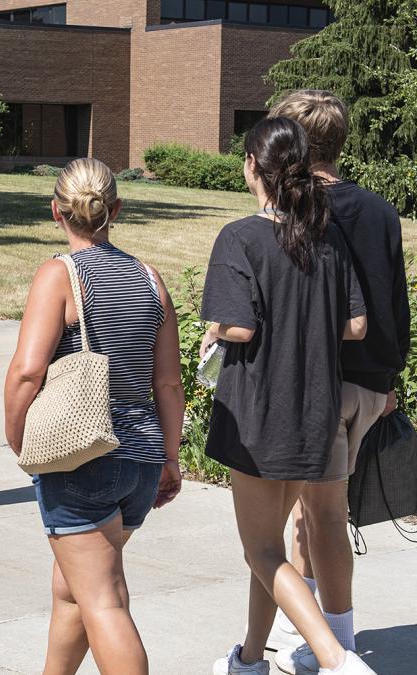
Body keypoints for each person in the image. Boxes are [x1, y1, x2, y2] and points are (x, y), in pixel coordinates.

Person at [201, 117, 374, 675]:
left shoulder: (240, 238)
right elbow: (357, 325)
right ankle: (250, 659)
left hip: (257, 416)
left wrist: (213, 332)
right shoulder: (325, 239)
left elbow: (241, 327)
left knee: (262, 551)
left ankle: (335, 659)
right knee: (269, 549)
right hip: (314, 413)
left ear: (253, 166)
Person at [3, 158, 184, 674]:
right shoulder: (150, 278)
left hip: (83, 455)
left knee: (103, 598)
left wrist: (18, 438)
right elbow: (167, 383)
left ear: (55, 211)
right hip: (142, 459)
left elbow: (25, 373)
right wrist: (169, 458)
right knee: (72, 589)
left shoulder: (59, 274)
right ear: (117, 210)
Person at [265, 90, 411, 674]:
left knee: (318, 515)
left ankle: (336, 645)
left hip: (320, 383)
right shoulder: (378, 208)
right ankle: (297, 630)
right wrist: (391, 376)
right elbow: (393, 299)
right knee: (313, 511)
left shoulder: (300, 208)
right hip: (372, 380)